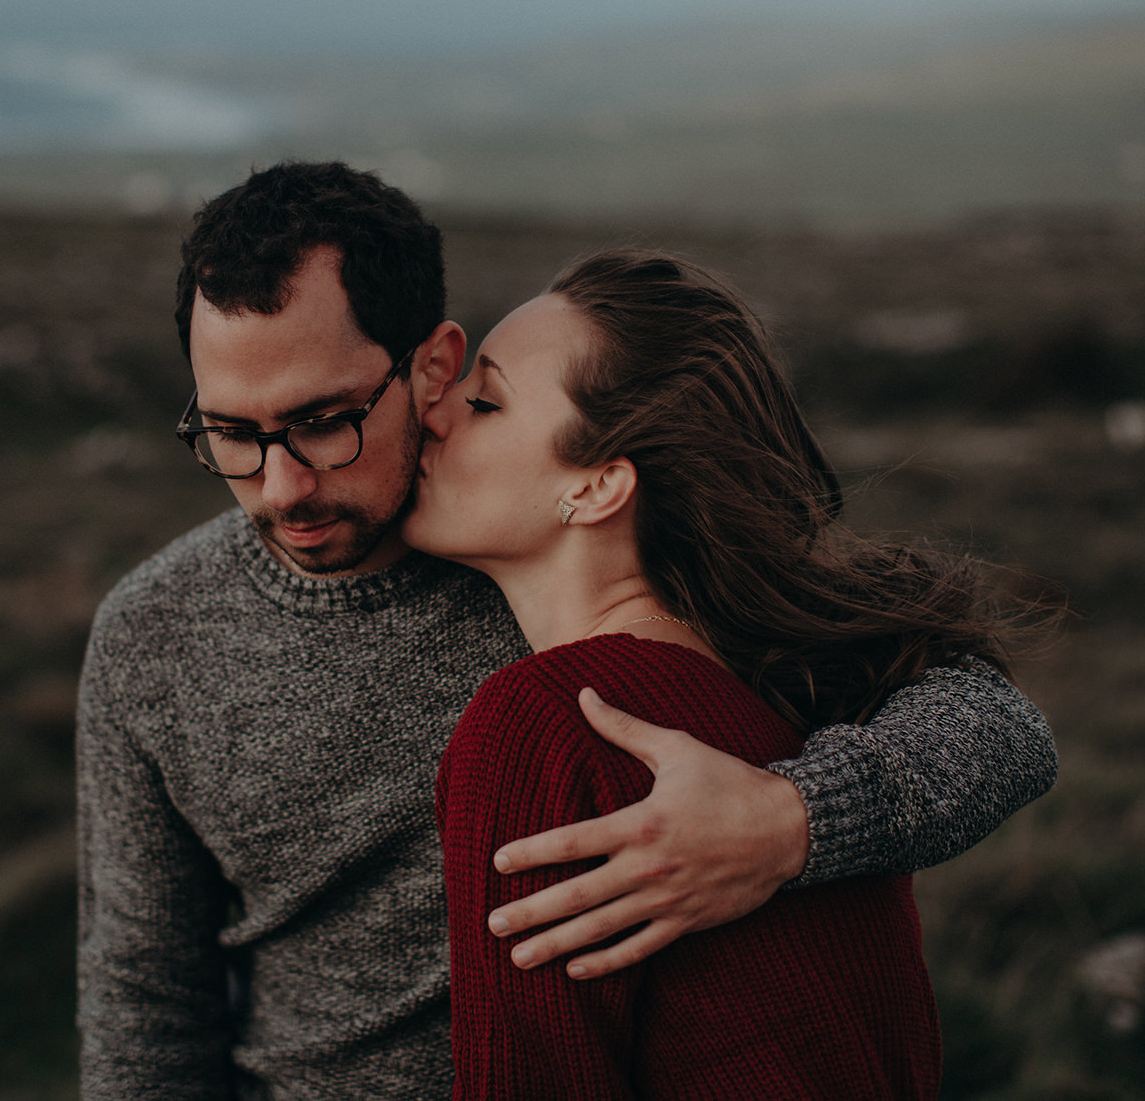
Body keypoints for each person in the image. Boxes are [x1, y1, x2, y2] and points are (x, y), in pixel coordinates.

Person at [75, 161, 1056, 1100]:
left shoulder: (590, 578)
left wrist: (788, 821)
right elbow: (144, 992)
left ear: (431, 369)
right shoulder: (151, 632)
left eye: (323, 420)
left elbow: (998, 726)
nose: (281, 484)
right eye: (231, 435)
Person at [412, 249, 1017, 1097]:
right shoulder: (790, 700)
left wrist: (794, 819)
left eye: (484, 400)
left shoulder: (544, 726)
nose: (433, 413)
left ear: (596, 488)